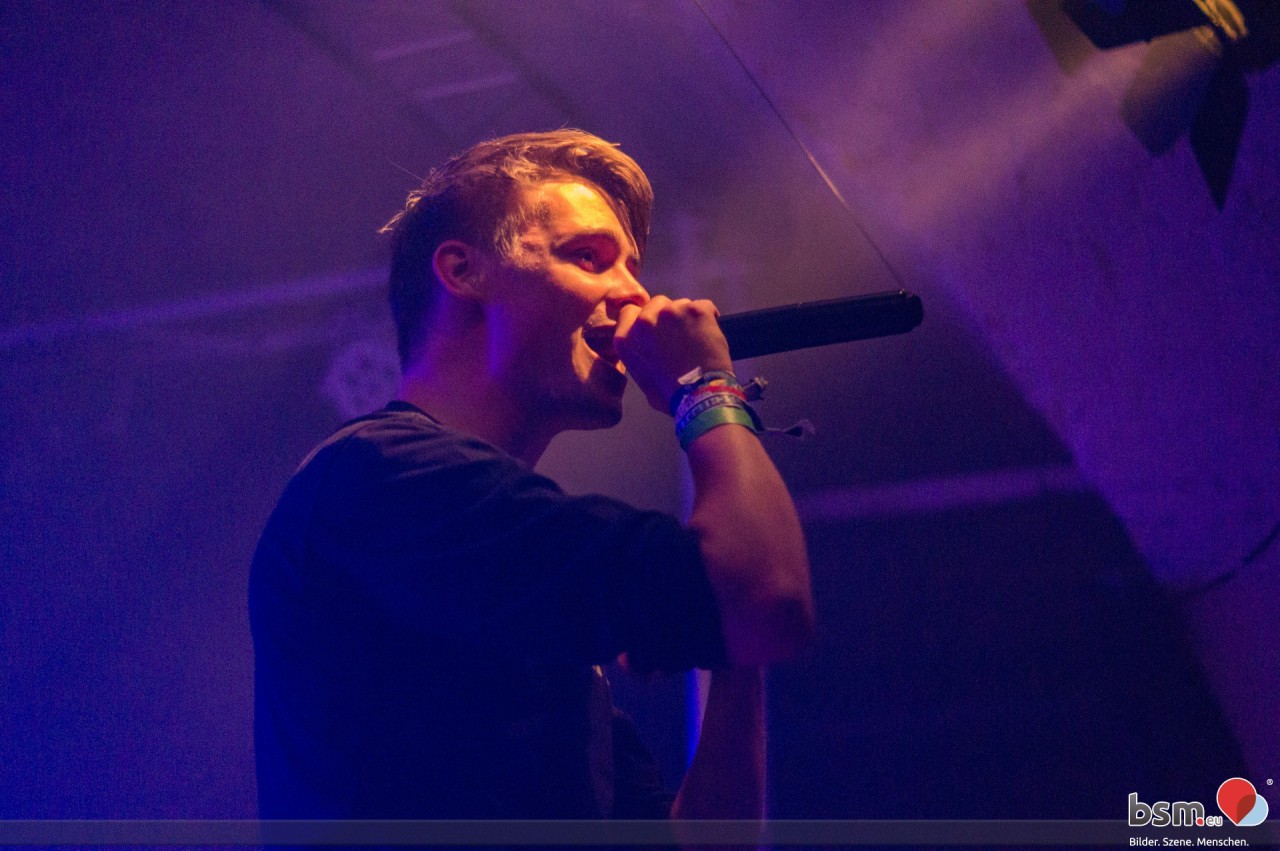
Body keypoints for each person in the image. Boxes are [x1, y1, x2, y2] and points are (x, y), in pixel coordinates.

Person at [249, 129, 813, 826]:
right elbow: (767, 592)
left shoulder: (513, 568)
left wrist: (731, 642)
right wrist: (704, 387)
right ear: (463, 272)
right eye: (589, 257)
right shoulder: (378, 479)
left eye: (633, 268)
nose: (635, 295)